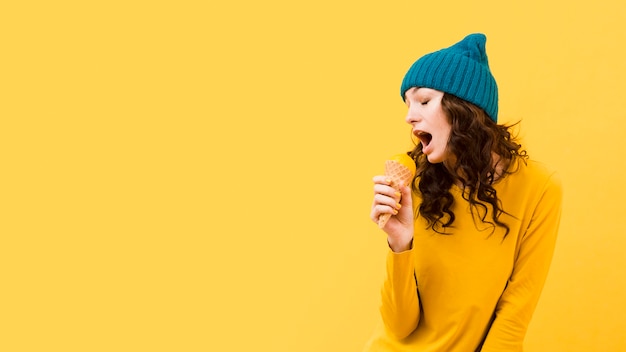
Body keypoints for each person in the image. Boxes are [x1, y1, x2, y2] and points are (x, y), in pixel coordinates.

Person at [364, 33, 563, 351]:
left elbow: (513, 318)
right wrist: (400, 243)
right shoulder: (413, 183)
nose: (409, 116)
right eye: (407, 103)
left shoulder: (539, 189)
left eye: (424, 101)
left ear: (465, 108)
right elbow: (399, 326)